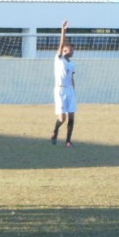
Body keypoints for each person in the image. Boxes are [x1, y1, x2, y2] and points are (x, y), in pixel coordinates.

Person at [51, 20, 76, 148]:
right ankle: (55, 132)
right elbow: (61, 44)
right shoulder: (59, 59)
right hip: (60, 90)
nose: (71, 51)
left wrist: (73, 90)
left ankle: (68, 141)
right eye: (68, 49)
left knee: (71, 116)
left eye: (72, 50)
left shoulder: (72, 64)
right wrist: (64, 30)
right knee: (62, 118)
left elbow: (71, 78)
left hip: (70, 91)